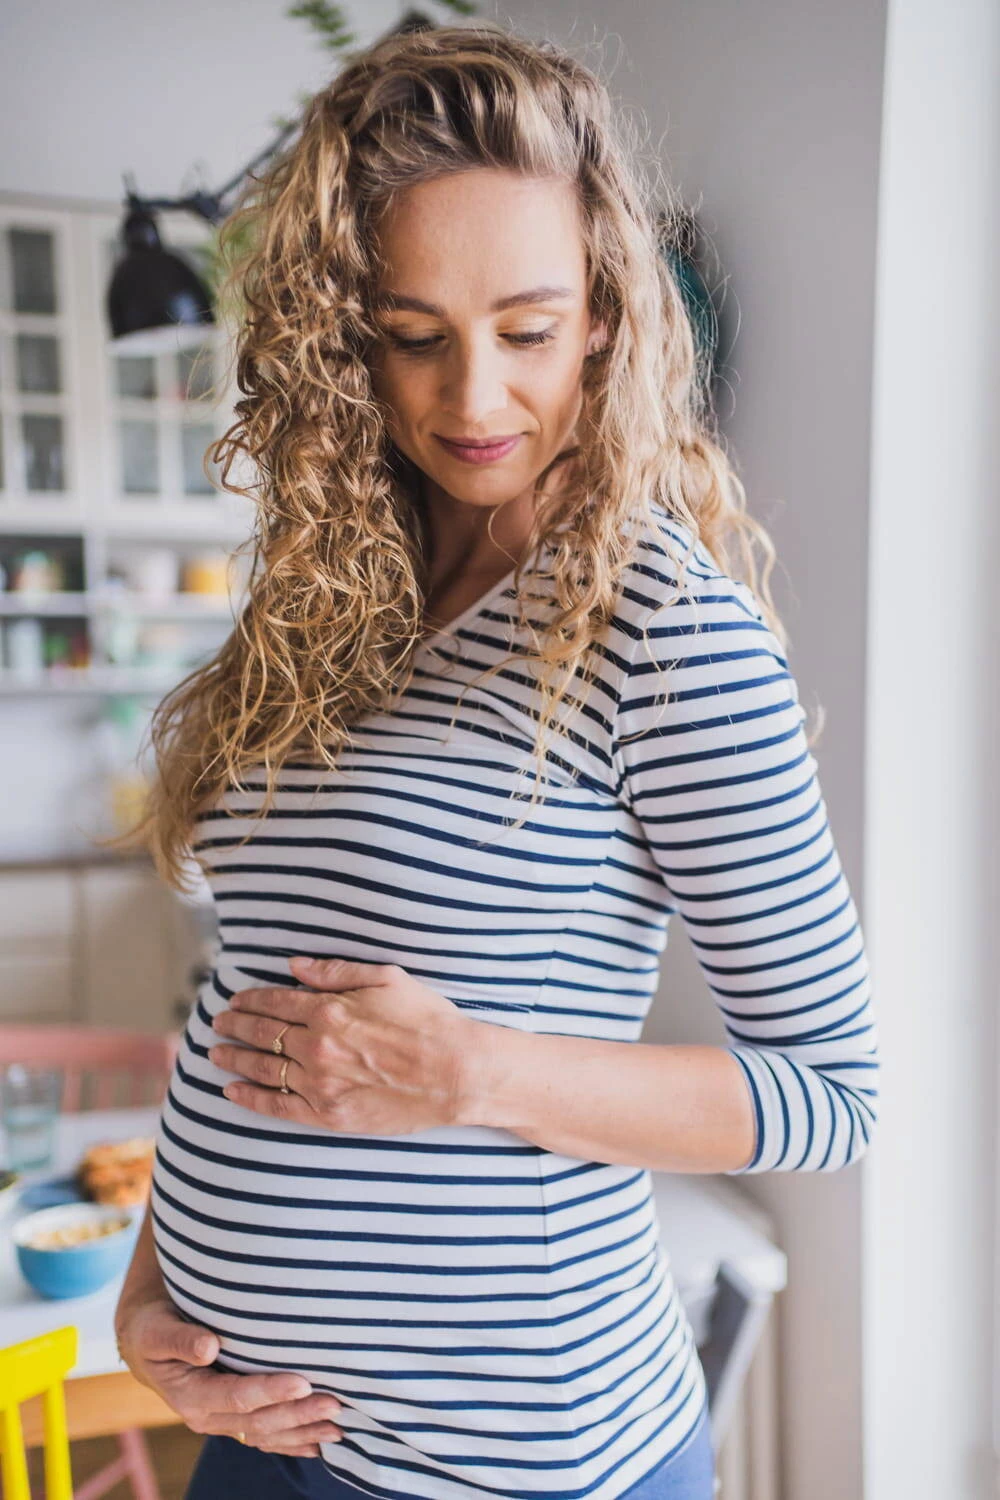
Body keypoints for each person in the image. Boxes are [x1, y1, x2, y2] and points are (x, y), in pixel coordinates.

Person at [112, 22, 881, 1500]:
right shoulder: (329, 606)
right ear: (348, 336)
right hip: (260, 1439)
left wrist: (476, 1072)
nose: (474, 400)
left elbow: (831, 1093)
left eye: (527, 330)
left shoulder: (664, 630)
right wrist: (158, 1289)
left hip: (518, 1465)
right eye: (415, 334)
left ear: (605, 315)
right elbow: (248, 997)